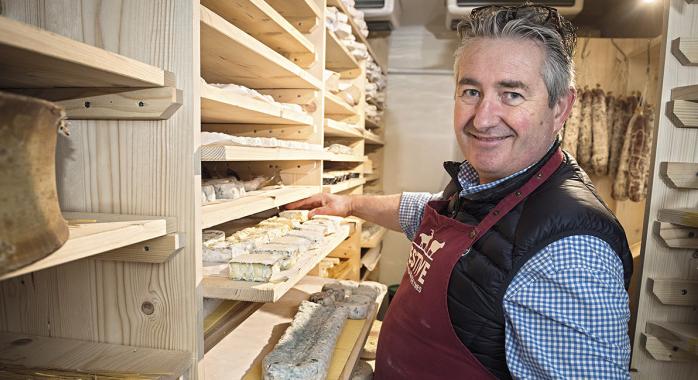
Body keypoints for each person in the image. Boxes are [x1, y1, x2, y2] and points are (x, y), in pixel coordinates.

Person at [287, 4, 633, 379]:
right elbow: (428, 213)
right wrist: (349, 203)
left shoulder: (571, 251)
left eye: (511, 94)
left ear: (561, 107)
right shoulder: (483, 185)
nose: (482, 118)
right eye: (471, 91)